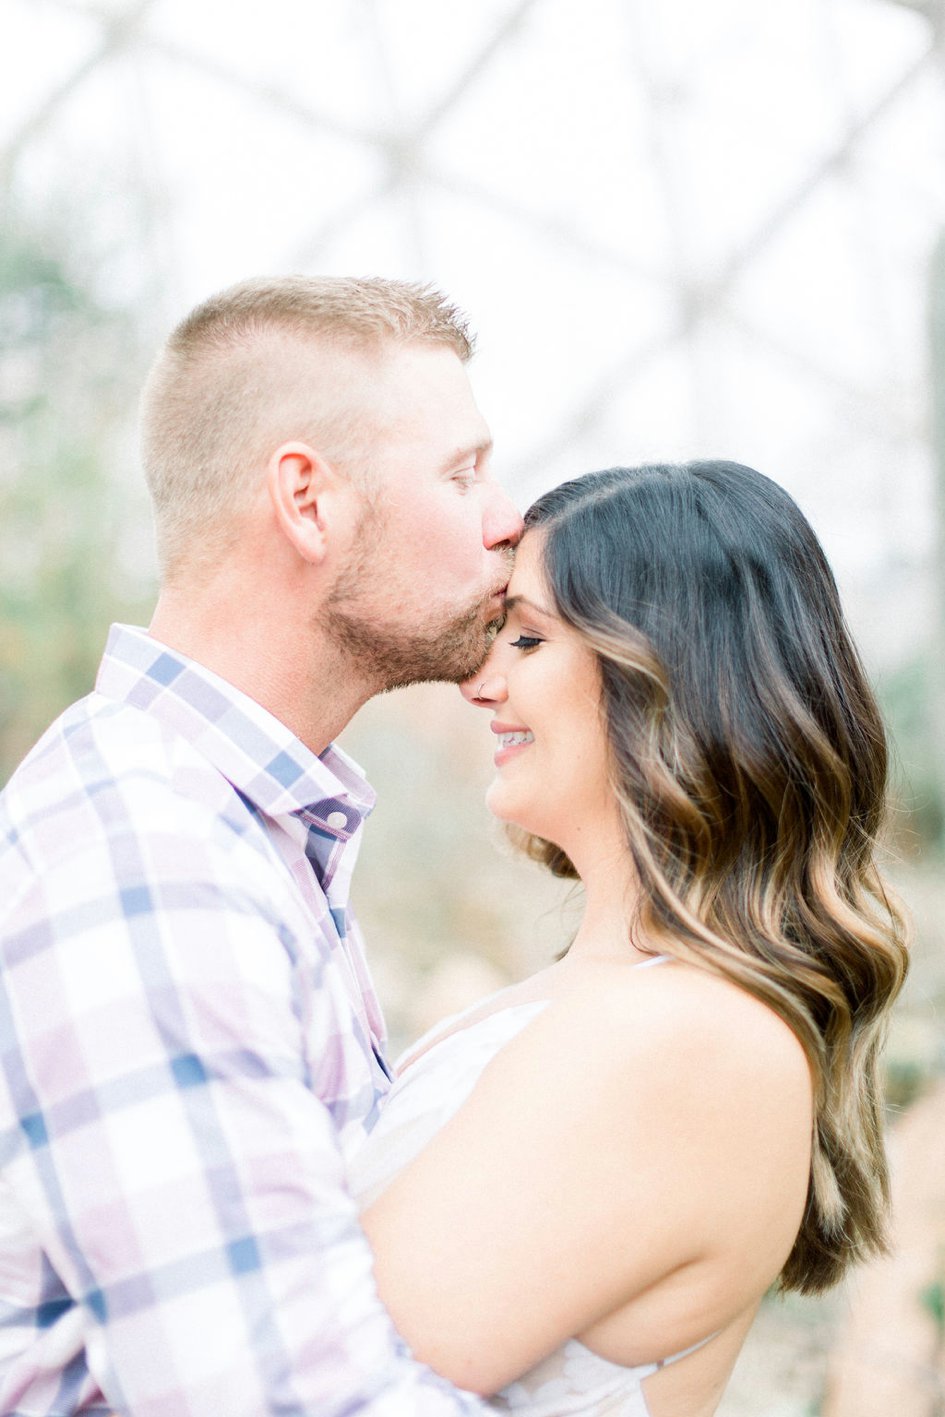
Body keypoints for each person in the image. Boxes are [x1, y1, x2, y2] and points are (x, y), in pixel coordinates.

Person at [0, 276, 523, 1415]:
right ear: (307, 501)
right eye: (463, 472)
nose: (507, 519)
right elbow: (271, 1395)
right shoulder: (150, 858)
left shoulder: (231, 826)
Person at [348, 462, 909, 1416]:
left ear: (671, 672)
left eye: (525, 636)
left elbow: (294, 1374)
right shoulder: (619, 1004)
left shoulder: (685, 1039)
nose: (480, 682)